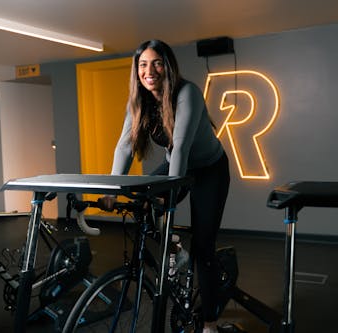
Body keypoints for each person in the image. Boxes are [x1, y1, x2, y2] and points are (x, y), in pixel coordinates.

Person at [99, 39, 230, 333]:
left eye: (157, 63)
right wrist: (111, 190)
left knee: (204, 249)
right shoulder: (140, 102)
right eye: (143, 64)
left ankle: (210, 323)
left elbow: (181, 146)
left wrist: (170, 196)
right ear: (137, 70)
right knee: (142, 199)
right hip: (176, 164)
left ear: (168, 66)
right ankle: (173, 248)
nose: (150, 70)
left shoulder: (188, 93)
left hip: (209, 170)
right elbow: (124, 146)